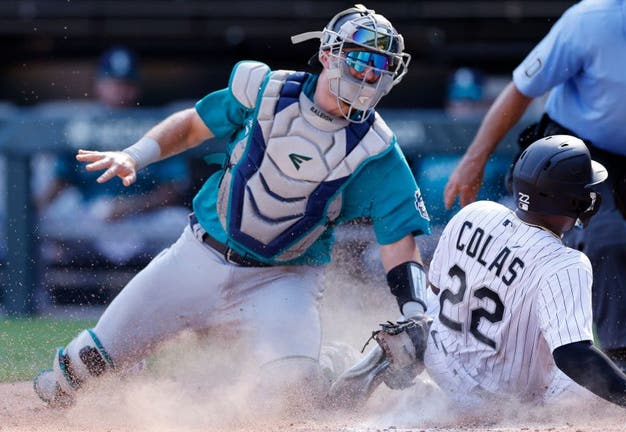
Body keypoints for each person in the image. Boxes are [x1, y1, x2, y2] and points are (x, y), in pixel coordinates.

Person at [33, 4, 431, 409]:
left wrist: (415, 313)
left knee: (294, 398)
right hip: (199, 255)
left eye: (382, 66)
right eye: (362, 59)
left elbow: (399, 243)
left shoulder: (378, 150)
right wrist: (135, 155)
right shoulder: (265, 90)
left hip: (283, 279)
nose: (369, 75)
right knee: (78, 372)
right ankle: (129, 360)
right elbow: (192, 124)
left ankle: (333, 362)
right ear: (328, 54)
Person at [442, 0, 626, 384]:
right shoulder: (588, 21)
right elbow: (521, 87)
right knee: (605, 238)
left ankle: (541, 350)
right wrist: (475, 157)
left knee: (573, 256)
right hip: (570, 150)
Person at [332, 136, 626, 416]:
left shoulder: (475, 212)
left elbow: (437, 288)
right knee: (597, 388)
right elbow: (575, 357)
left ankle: (413, 346)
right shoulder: (567, 263)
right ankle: (431, 393)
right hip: (500, 400)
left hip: (442, 360)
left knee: (432, 311)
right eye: (585, 190)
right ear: (571, 202)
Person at [36, 46, 191, 266]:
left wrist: (130, 207)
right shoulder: (81, 125)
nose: (120, 90)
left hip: (141, 219)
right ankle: (41, 298)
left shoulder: (156, 125)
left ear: (136, 87)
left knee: (180, 223)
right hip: (90, 217)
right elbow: (61, 180)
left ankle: (181, 299)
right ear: (98, 85)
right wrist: (33, 210)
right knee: (38, 223)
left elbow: (173, 190)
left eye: (126, 83)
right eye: (113, 83)